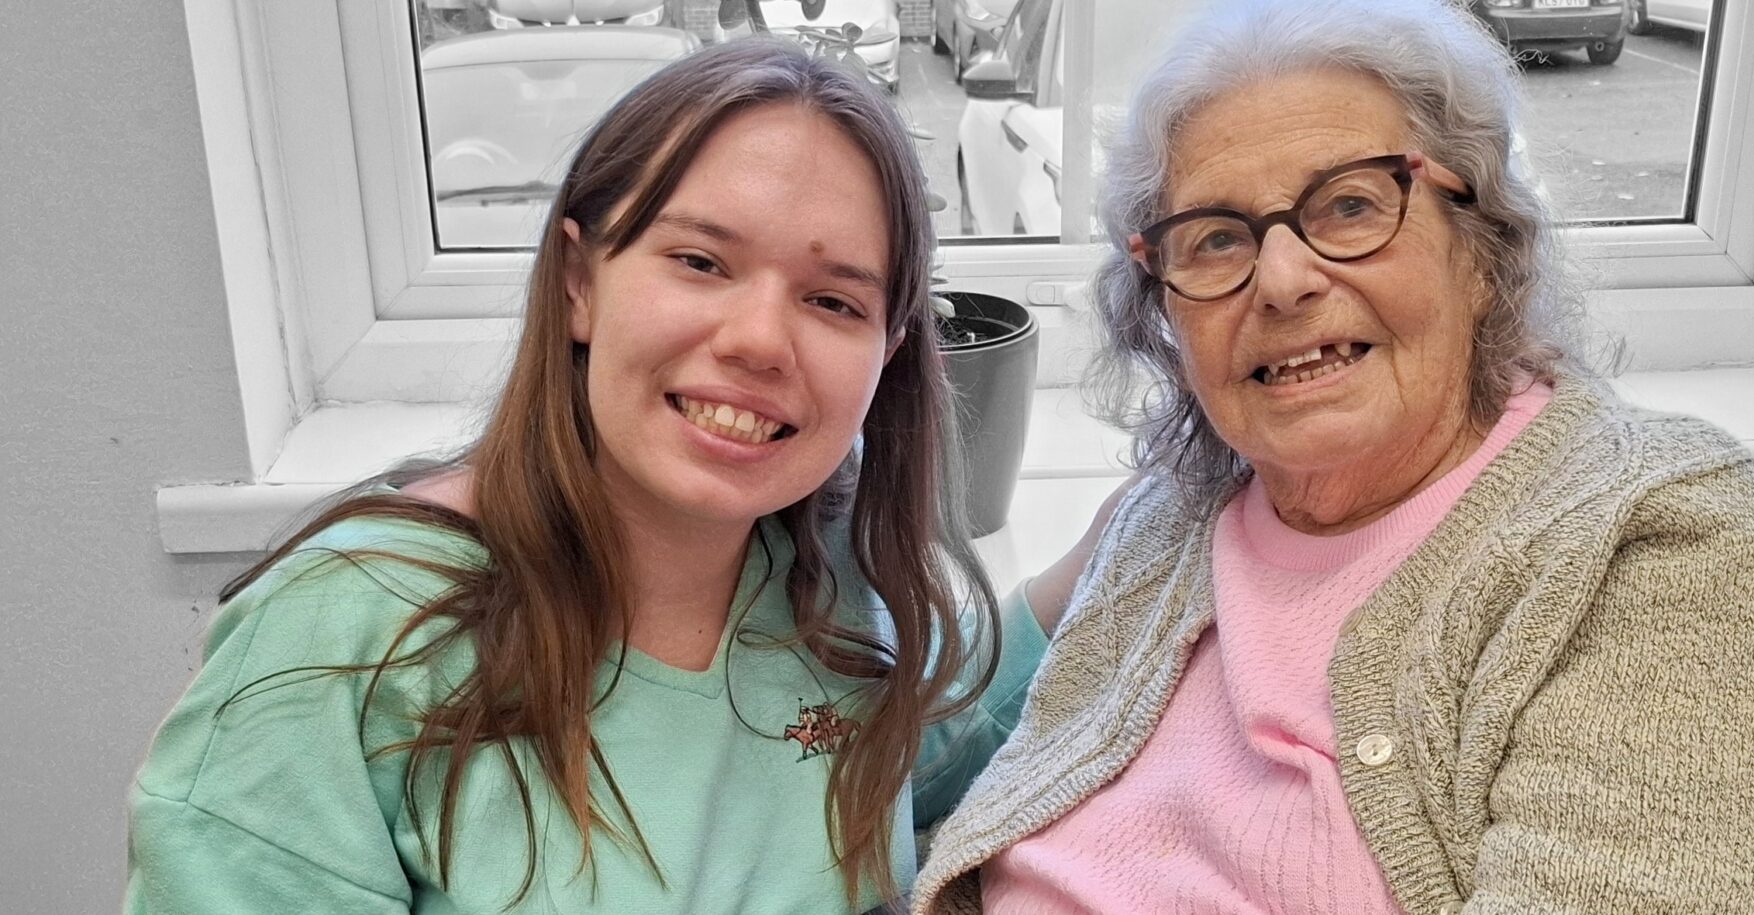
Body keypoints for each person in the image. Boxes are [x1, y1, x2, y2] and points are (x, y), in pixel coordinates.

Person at [913, 1, 1754, 912]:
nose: (1281, 280)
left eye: (1352, 204)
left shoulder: (1657, 550)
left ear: (1483, 249)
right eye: (1213, 239)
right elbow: (914, 737)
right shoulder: (1169, 518)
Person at [127, 39, 1084, 915]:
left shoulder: (829, 558)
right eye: (701, 260)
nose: (758, 340)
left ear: (889, 348)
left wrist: (1126, 542)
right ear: (581, 281)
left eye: (832, 300)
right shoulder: (342, 638)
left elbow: (914, 752)